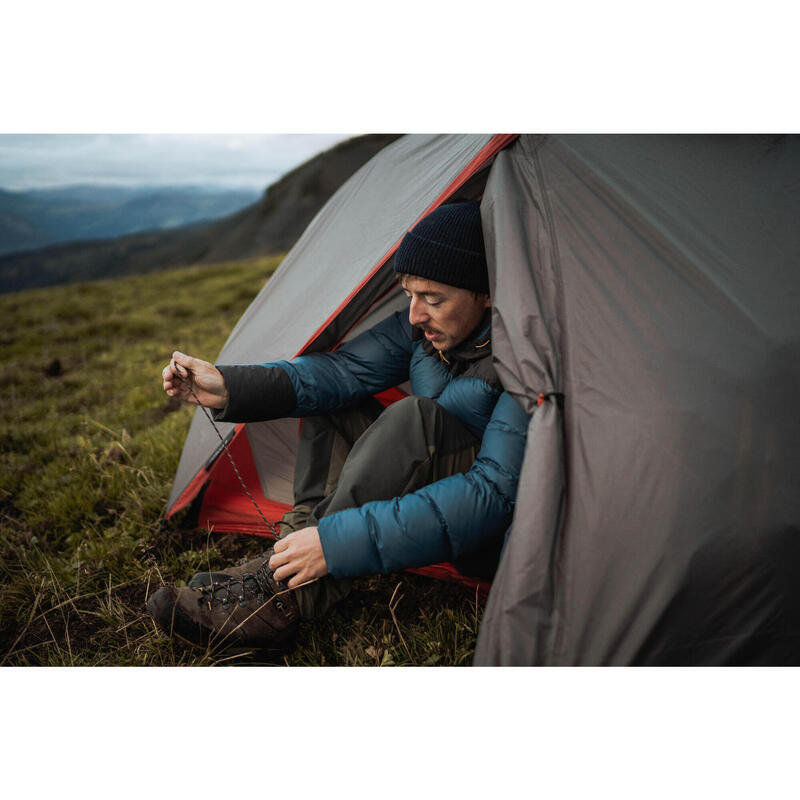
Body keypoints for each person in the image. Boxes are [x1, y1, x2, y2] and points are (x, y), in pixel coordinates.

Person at [146, 201, 530, 651]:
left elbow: (495, 496)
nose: (414, 315)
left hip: (479, 534)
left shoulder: (524, 357)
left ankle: (284, 596)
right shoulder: (421, 333)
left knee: (415, 416)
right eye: (409, 294)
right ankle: (288, 560)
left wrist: (335, 543)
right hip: (426, 501)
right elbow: (339, 373)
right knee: (336, 399)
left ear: (486, 293)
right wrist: (228, 387)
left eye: (433, 298)